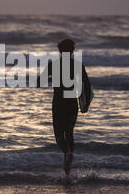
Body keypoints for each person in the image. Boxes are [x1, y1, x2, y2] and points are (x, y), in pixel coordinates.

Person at [38, 39, 92, 177]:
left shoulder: (53, 65)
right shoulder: (78, 65)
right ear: (72, 51)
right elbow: (86, 85)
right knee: (69, 133)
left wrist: (54, 79)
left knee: (58, 136)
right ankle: (68, 161)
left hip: (58, 103)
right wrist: (85, 104)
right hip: (72, 103)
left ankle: (66, 154)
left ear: (60, 51)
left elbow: (39, 81)